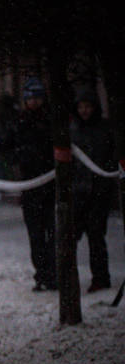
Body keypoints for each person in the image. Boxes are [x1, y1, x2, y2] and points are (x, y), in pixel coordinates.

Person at [70, 87, 115, 292]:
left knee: (96, 236)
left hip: (98, 191)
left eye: (87, 106)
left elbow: (110, 158)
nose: (84, 111)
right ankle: (69, 278)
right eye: (81, 107)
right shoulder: (73, 129)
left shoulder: (105, 129)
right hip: (78, 192)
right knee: (72, 236)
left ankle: (100, 277)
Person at [15, 77, 56, 292]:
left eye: (37, 98)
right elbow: (12, 150)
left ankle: (53, 274)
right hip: (30, 188)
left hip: (50, 187)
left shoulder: (50, 121)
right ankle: (41, 274)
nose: (34, 102)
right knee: (36, 236)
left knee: (53, 233)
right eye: (30, 99)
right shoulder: (20, 122)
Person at [0, 93, 20, 199]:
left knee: (6, 168)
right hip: (6, 146)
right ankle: (9, 189)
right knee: (6, 168)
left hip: (5, 146)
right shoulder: (11, 113)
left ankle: (8, 189)